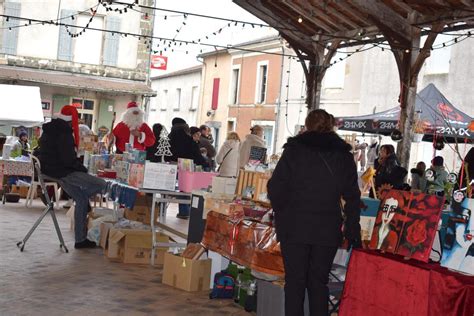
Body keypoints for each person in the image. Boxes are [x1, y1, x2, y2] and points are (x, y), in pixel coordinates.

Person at [267, 109, 361, 316]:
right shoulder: (343, 156)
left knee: (295, 283)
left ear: (307, 125)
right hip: (327, 227)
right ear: (331, 125)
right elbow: (353, 196)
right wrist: (353, 226)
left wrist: (284, 212)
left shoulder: (294, 151)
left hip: (294, 226)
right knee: (319, 283)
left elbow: (275, 188)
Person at [38, 105, 106, 249]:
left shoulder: (50, 130)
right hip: (63, 172)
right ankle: (81, 236)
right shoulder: (64, 133)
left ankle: (80, 240)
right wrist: (83, 169)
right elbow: (68, 160)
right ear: (71, 121)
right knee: (102, 184)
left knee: (81, 198)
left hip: (53, 171)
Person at [167, 118, 209, 219]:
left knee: (167, 188)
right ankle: (184, 211)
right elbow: (197, 155)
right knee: (185, 189)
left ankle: (161, 209)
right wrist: (205, 163)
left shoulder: (168, 138)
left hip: (171, 165)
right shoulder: (189, 139)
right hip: (186, 165)